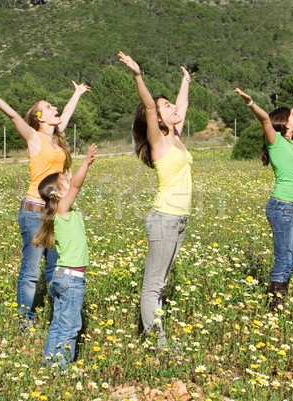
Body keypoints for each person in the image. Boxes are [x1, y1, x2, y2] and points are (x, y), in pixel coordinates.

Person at [0, 75, 90, 330]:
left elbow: (66, 114)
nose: (55, 109)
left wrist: (77, 94)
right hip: (34, 212)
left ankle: (54, 314)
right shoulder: (34, 138)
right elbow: (14, 116)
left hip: (54, 211)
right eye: (49, 107)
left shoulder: (56, 139)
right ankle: (25, 322)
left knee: (54, 268)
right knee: (31, 272)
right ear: (39, 117)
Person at [118, 52, 192, 349]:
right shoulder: (159, 140)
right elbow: (149, 106)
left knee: (160, 284)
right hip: (164, 219)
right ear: (158, 118)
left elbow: (183, 106)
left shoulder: (174, 135)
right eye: (167, 106)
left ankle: (155, 338)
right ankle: (158, 346)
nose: (173, 108)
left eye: (171, 104)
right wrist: (138, 75)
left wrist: (185, 81)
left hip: (179, 220)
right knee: (153, 287)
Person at [233, 88, 293, 310]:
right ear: (285, 124)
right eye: (292, 118)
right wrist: (250, 102)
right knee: (284, 260)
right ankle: (275, 307)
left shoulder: (291, 141)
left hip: (290, 208)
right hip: (281, 207)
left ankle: (281, 301)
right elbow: (265, 118)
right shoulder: (275, 143)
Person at [33, 143, 97, 368]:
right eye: (65, 181)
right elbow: (77, 184)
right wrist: (86, 163)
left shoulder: (62, 213)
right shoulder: (62, 210)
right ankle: (61, 370)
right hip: (71, 280)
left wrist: (67, 178)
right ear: (60, 193)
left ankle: (49, 364)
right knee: (70, 327)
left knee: (58, 324)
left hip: (61, 278)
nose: (70, 180)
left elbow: (73, 186)